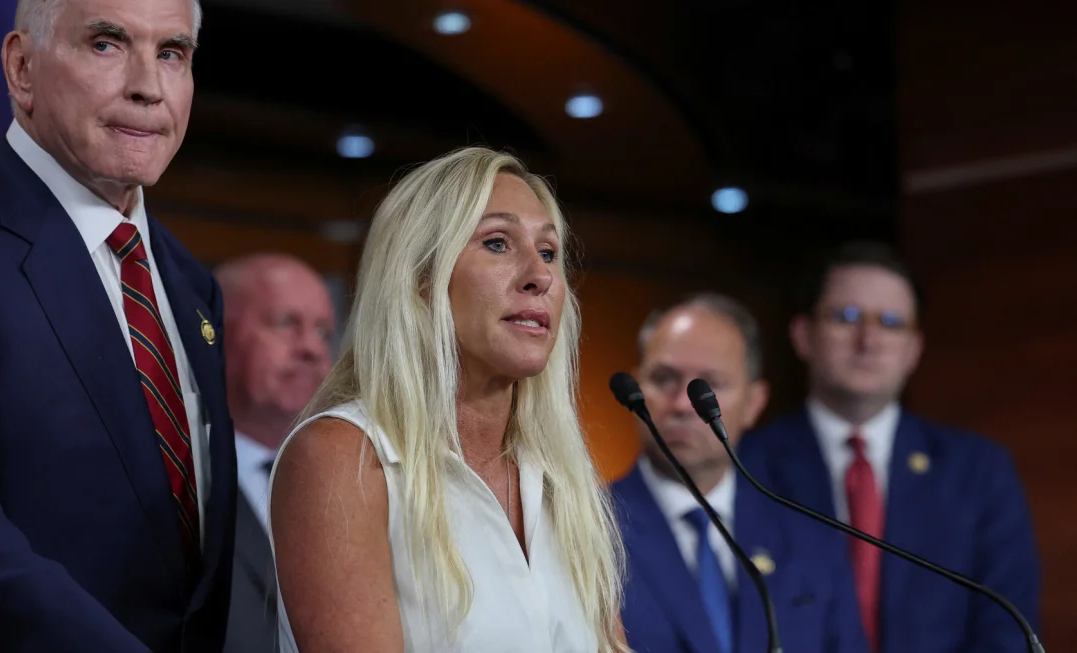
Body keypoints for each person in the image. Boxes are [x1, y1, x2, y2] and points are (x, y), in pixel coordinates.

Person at [0, 0, 238, 651]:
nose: (148, 85)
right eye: (107, 44)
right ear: (21, 67)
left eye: (172, 53)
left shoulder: (193, 287)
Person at [267, 147, 629, 652]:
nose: (540, 276)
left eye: (548, 253)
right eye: (498, 243)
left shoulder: (561, 480)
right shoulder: (342, 458)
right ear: (420, 280)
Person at [739, 242, 1041, 653]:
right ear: (803, 336)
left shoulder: (978, 470)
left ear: (914, 349)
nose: (869, 340)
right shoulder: (745, 464)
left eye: (891, 322)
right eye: (846, 317)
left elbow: (1007, 628)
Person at [613, 295, 869, 653]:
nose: (682, 405)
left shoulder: (811, 540)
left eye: (709, 386)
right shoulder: (587, 527)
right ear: (636, 389)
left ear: (754, 403)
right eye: (663, 378)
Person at [214, 253, 336, 652]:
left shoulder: (353, 479)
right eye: (286, 323)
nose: (311, 349)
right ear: (217, 331)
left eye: (323, 332)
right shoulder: (177, 478)